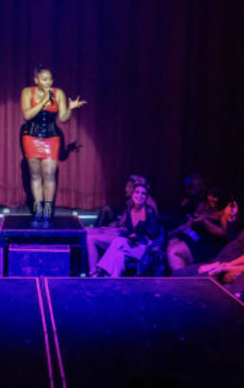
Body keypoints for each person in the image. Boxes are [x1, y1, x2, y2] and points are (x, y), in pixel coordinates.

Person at [20, 66, 85, 227]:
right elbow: (27, 115)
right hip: (31, 137)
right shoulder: (28, 92)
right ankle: (38, 212)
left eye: (50, 79)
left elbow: (63, 118)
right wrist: (43, 102)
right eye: (44, 79)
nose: (48, 82)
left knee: (49, 174)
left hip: (52, 138)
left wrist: (70, 108)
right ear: (36, 80)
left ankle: (48, 212)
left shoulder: (59, 93)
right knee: (35, 175)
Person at [92, 184, 163, 277]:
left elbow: (154, 233)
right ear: (132, 194)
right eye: (137, 192)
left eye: (143, 194)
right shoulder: (130, 210)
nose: (139, 196)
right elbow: (129, 231)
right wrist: (129, 235)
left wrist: (139, 233)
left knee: (118, 241)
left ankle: (100, 270)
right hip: (132, 245)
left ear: (146, 197)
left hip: (144, 248)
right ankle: (112, 280)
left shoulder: (149, 211)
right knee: (118, 255)